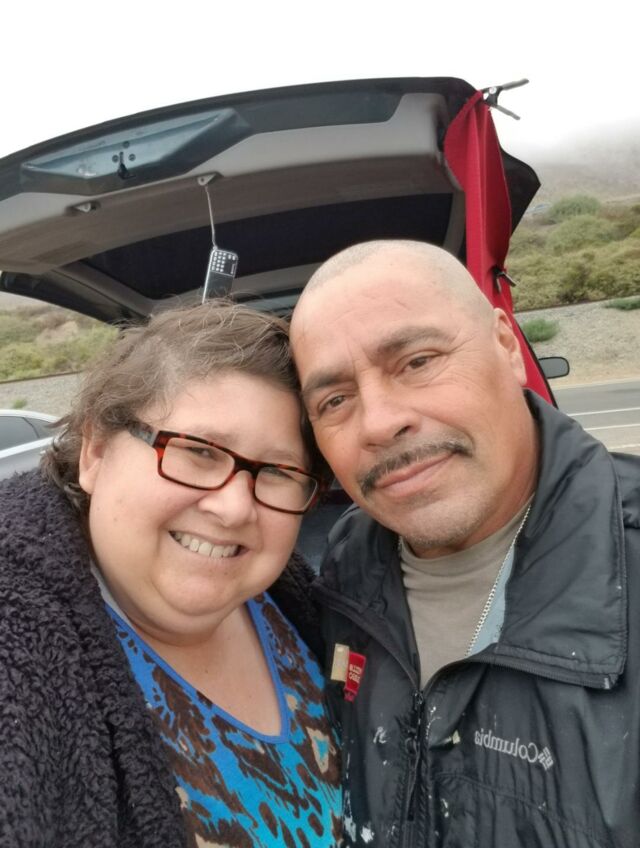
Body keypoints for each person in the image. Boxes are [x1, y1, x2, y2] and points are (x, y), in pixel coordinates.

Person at [289, 239, 640, 847]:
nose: (379, 422)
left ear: (507, 345)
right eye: (335, 400)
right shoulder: (344, 568)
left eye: (417, 361)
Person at [0, 301, 341, 848]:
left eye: (278, 472)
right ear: (95, 452)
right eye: (197, 451)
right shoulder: (19, 646)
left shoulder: (299, 606)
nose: (234, 508)